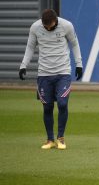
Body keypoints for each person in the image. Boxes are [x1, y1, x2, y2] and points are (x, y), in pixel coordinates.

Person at [19, 9, 83, 149]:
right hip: (44, 74)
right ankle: (49, 140)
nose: (48, 28)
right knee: (47, 107)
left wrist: (79, 64)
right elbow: (30, 47)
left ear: (56, 21)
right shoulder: (35, 27)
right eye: (46, 27)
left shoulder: (67, 26)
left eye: (51, 26)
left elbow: (75, 44)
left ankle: (61, 138)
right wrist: (23, 65)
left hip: (63, 73)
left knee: (62, 104)